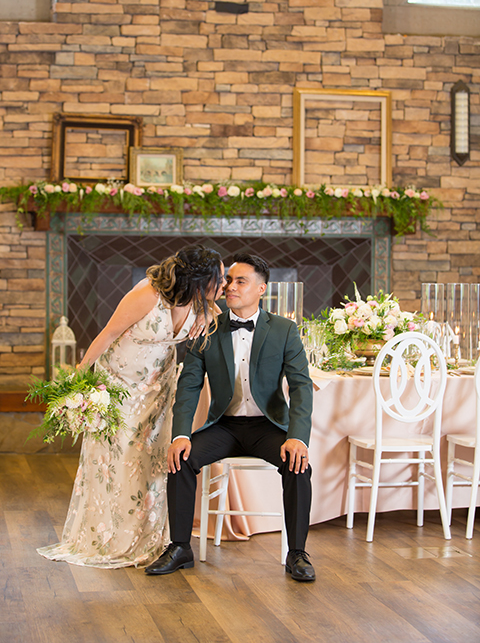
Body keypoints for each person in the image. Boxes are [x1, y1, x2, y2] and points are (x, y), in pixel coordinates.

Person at [37, 244, 225, 568]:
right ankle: (109, 537)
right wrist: (78, 383)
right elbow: (108, 334)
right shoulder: (148, 296)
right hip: (119, 385)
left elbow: (217, 315)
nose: (224, 284)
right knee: (118, 463)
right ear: (199, 280)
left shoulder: (202, 302)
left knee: (150, 465)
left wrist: (209, 316)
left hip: (159, 390)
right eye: (219, 278)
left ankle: (149, 538)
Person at [145, 252, 315, 582]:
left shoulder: (284, 330)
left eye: (241, 281)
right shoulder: (206, 327)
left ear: (261, 289)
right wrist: (180, 433)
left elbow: (301, 386)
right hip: (224, 425)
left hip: (268, 426)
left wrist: (297, 436)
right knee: (181, 458)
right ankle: (180, 547)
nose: (230, 287)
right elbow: (189, 385)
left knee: (298, 463)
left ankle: (297, 553)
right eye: (228, 280)